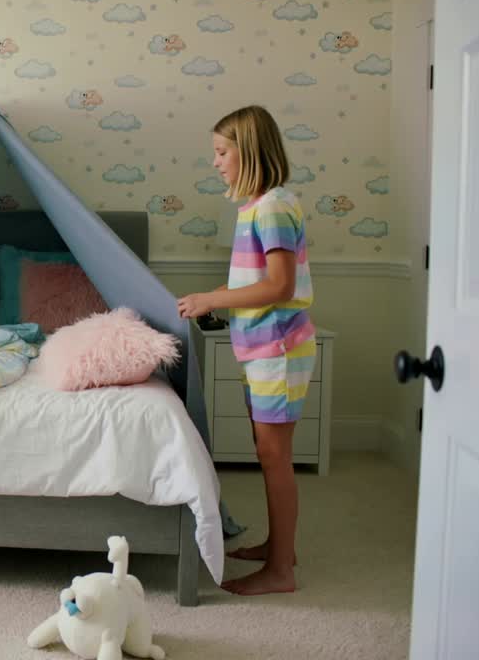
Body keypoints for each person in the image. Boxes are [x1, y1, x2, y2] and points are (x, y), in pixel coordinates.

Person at [177, 105, 316, 595]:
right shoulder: (257, 207)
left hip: (278, 350)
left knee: (273, 455)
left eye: (221, 152)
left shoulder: (274, 207)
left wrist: (213, 299)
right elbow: (254, 279)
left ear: (248, 151)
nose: (215, 162)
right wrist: (211, 295)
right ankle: (283, 548)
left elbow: (279, 286)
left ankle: (281, 571)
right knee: (269, 454)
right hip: (263, 350)